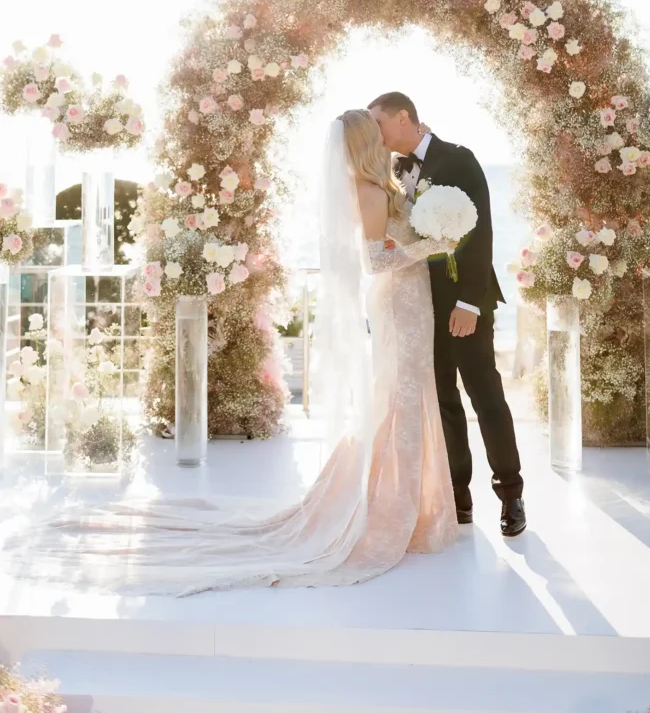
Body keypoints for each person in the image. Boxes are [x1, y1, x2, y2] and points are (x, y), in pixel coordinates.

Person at [1, 110, 458, 594]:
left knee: (408, 398)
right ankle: (391, 509)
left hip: (413, 305)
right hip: (397, 307)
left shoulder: (381, 185)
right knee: (399, 401)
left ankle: (410, 504)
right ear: (370, 141)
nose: (388, 136)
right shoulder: (367, 192)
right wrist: (427, 246)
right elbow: (375, 259)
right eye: (379, 131)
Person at [368, 92, 526, 538]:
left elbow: (480, 234)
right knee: (442, 402)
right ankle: (459, 496)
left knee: (486, 396)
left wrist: (470, 302)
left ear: (404, 118)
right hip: (419, 305)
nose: (376, 135)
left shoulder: (459, 160)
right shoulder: (393, 172)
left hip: (465, 303)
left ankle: (511, 493)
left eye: (379, 124)